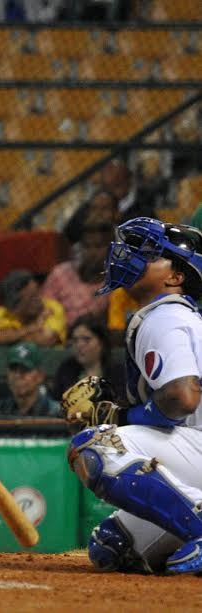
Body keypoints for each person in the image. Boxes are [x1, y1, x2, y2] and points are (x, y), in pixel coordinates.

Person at [67, 216, 202, 575]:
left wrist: (120, 418)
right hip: (196, 449)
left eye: (152, 254)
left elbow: (182, 397)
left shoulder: (166, 315)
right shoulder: (177, 316)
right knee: (113, 545)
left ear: (175, 278)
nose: (131, 256)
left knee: (95, 447)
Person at [41, 222, 114, 326]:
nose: (92, 253)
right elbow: (45, 312)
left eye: (98, 246)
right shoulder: (61, 274)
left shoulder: (116, 283)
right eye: (87, 246)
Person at [0, 269, 67, 347]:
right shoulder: (3, 312)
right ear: (15, 309)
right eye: (32, 298)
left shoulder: (52, 307)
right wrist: (33, 327)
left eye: (37, 292)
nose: (39, 300)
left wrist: (7, 338)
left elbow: (46, 339)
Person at [53, 313, 125, 401]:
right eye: (75, 340)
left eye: (86, 339)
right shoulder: (66, 370)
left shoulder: (117, 372)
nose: (79, 345)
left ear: (101, 343)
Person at [0, 341, 60, 418]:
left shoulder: (58, 413)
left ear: (40, 376)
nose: (17, 375)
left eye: (24, 370)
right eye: (13, 370)